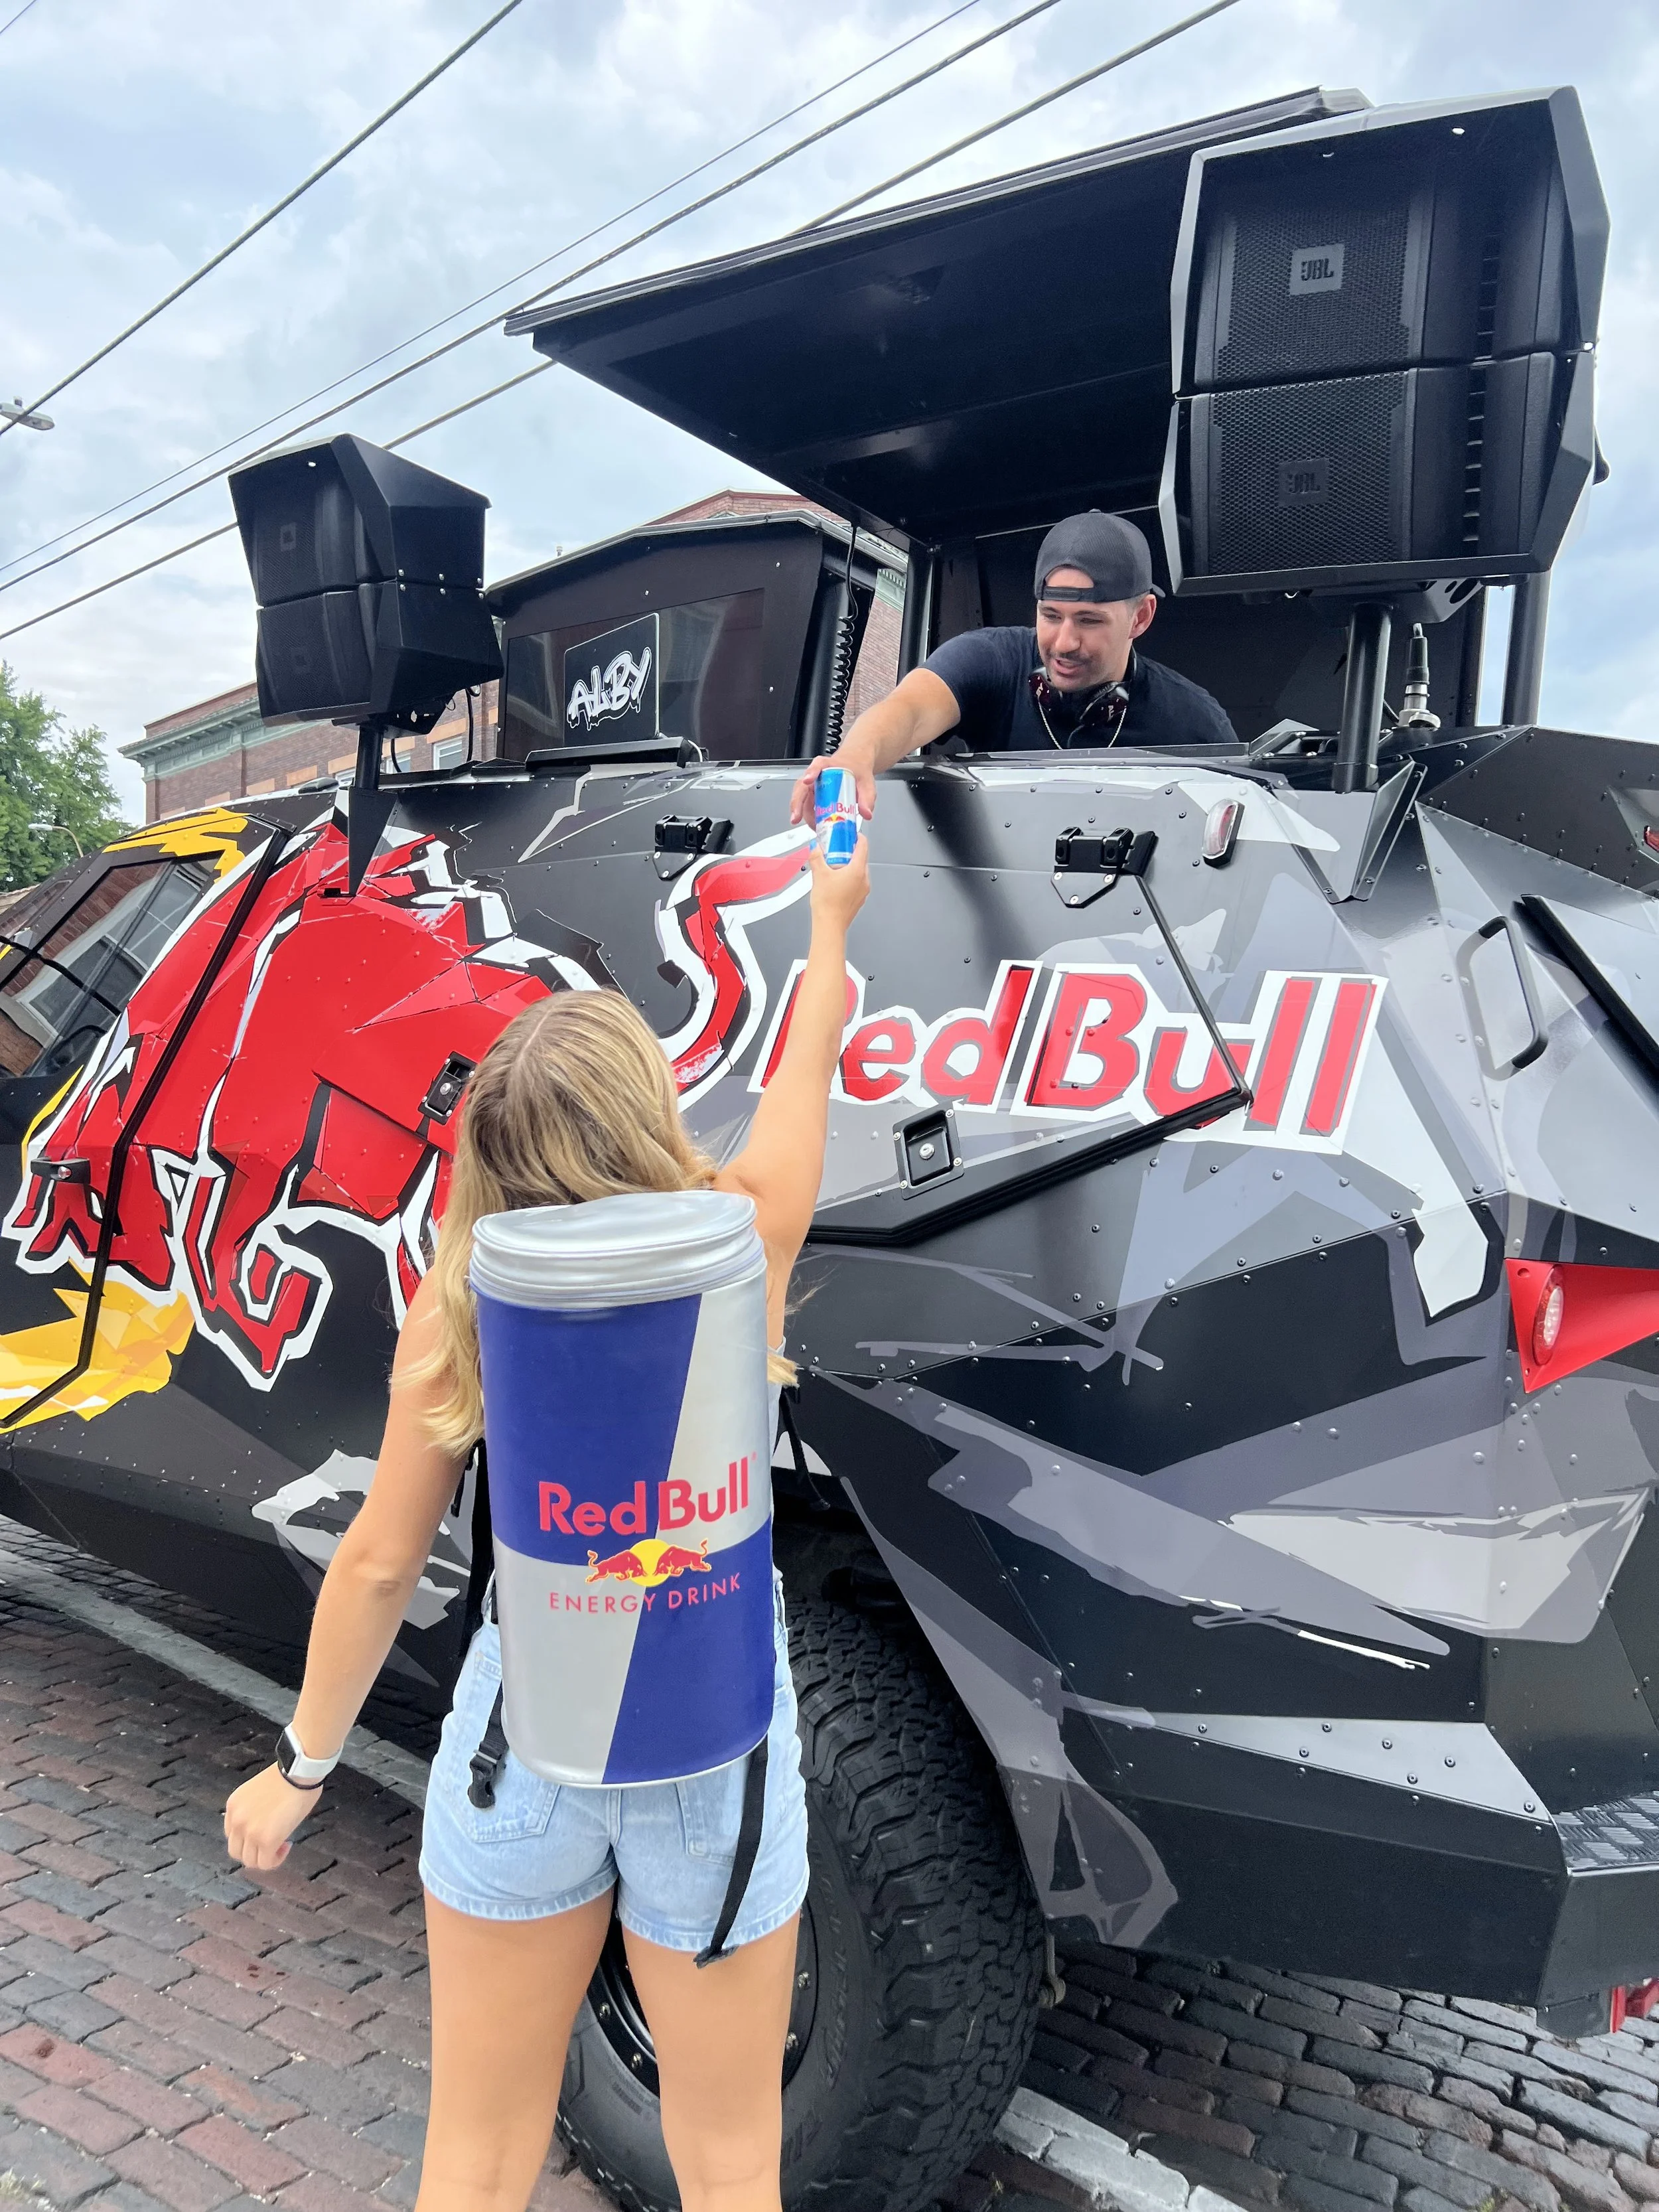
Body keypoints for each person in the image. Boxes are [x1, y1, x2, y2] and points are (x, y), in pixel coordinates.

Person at [223, 838, 871, 2212]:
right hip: (715, 1753)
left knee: (475, 2153)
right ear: (645, 1113)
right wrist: (830, 912)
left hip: (524, 1748)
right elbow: (814, 1047)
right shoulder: (741, 1238)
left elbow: (384, 1559)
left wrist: (301, 1761)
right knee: (731, 2160)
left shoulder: (452, 1306)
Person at [790, 511, 1236, 827]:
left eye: (1089, 621)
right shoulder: (992, 659)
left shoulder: (1197, 722)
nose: (1064, 642)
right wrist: (853, 759)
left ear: (1140, 618)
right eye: (1051, 615)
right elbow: (908, 708)